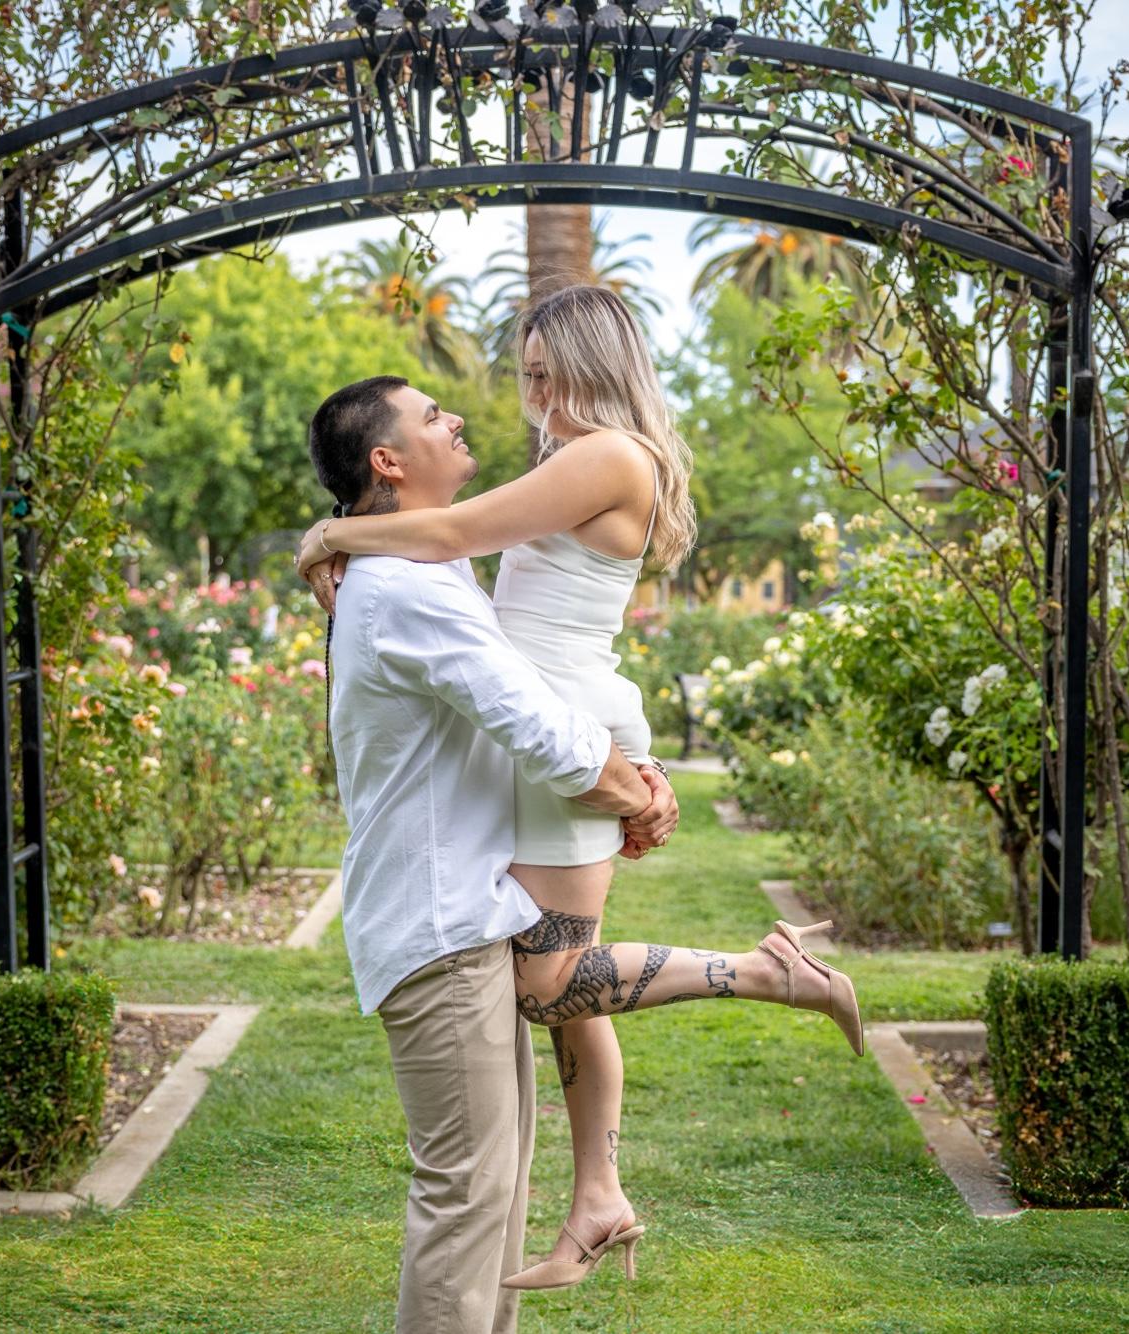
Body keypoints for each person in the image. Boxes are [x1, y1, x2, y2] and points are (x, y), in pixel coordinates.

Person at [298, 287, 862, 1294]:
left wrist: (333, 536)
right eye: (526, 375)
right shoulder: (576, 455)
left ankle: (763, 972)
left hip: (562, 726)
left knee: (544, 983)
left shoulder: (607, 455)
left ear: (590, 366)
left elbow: (450, 531)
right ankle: (597, 1193)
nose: (530, 394)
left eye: (542, 373)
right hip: (551, 725)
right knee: (549, 978)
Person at [305, 372, 679, 1333]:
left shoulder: (424, 571)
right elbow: (542, 733)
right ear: (388, 461)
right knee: (467, 1193)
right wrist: (639, 798)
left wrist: (637, 774)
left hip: (464, 916)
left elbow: (538, 690)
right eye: (433, 416)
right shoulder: (406, 589)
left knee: (491, 1194)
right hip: (441, 927)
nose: (460, 417)